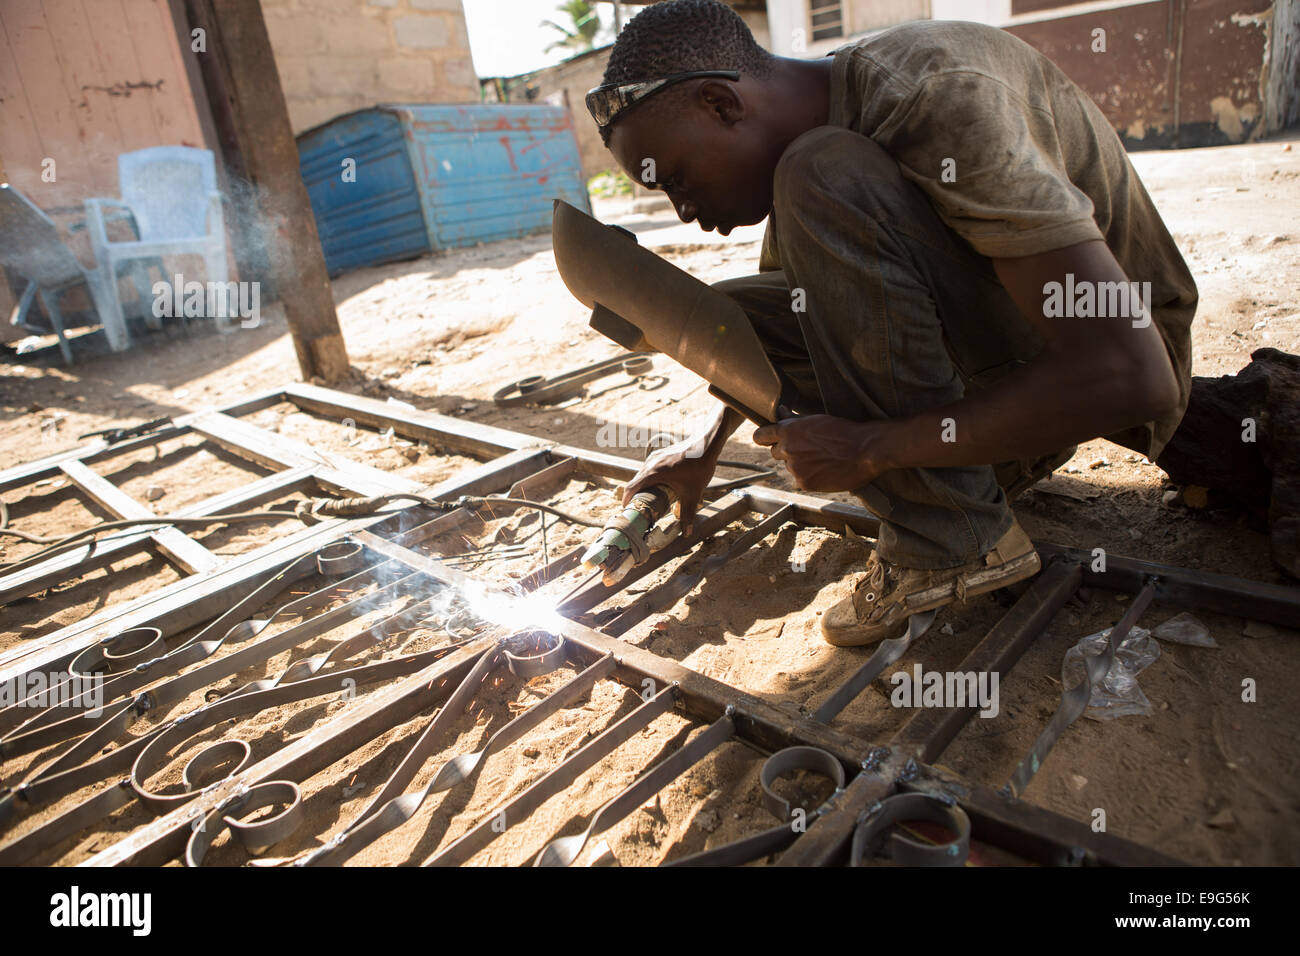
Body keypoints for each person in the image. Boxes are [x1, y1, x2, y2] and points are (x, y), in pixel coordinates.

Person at [585, 0, 1196, 646]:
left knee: (817, 171)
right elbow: (777, 323)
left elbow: (1134, 375)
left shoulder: (925, 97)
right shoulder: (820, 145)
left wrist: (873, 449)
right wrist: (705, 450)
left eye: (677, 178)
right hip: (1015, 362)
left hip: (1112, 365)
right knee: (730, 315)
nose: (683, 210)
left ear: (721, 104)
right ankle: (966, 478)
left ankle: (950, 537)